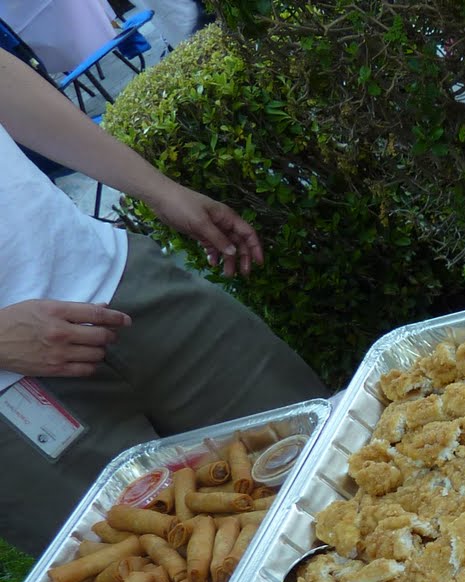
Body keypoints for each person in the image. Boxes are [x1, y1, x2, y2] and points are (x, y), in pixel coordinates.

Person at [0, 50, 324, 554]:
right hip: (12, 406)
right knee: (171, 579)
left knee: (327, 460)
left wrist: (156, 188)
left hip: (118, 275)